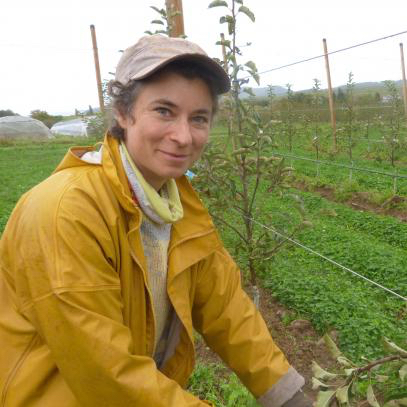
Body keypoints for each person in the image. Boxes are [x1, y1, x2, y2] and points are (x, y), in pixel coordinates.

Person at [0, 35, 312, 406]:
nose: (183, 136)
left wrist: (287, 395)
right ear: (123, 112)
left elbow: (226, 308)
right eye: (164, 111)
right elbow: (106, 373)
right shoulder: (66, 211)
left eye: (199, 118)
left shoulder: (176, 205)